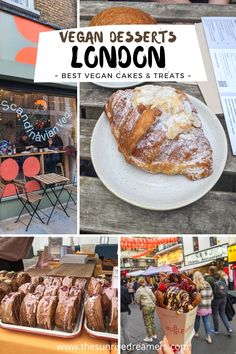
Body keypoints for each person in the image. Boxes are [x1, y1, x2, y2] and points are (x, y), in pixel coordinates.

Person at [206, 266, 233, 335]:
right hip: (223, 298)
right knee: (223, 313)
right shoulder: (222, 277)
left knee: (215, 314)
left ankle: (216, 330)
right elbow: (225, 287)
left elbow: (208, 289)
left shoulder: (209, 279)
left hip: (215, 299)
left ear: (210, 271)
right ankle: (229, 328)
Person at [193, 271, 213, 343]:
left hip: (199, 306)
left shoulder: (195, 286)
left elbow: (193, 297)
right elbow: (211, 296)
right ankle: (208, 337)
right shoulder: (207, 284)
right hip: (207, 306)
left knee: (197, 320)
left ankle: (196, 333)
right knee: (206, 321)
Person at [135, 278, 157, 342]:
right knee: (152, 320)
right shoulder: (148, 289)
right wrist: (152, 303)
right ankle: (154, 334)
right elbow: (154, 298)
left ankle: (149, 337)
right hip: (152, 306)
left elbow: (137, 300)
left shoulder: (139, 290)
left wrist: (140, 303)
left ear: (139, 284)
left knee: (147, 321)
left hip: (145, 306)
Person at [121, 281, 134, 351]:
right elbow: (129, 301)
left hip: (115, 309)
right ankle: (128, 346)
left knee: (117, 330)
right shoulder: (124, 289)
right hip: (123, 311)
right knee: (125, 329)